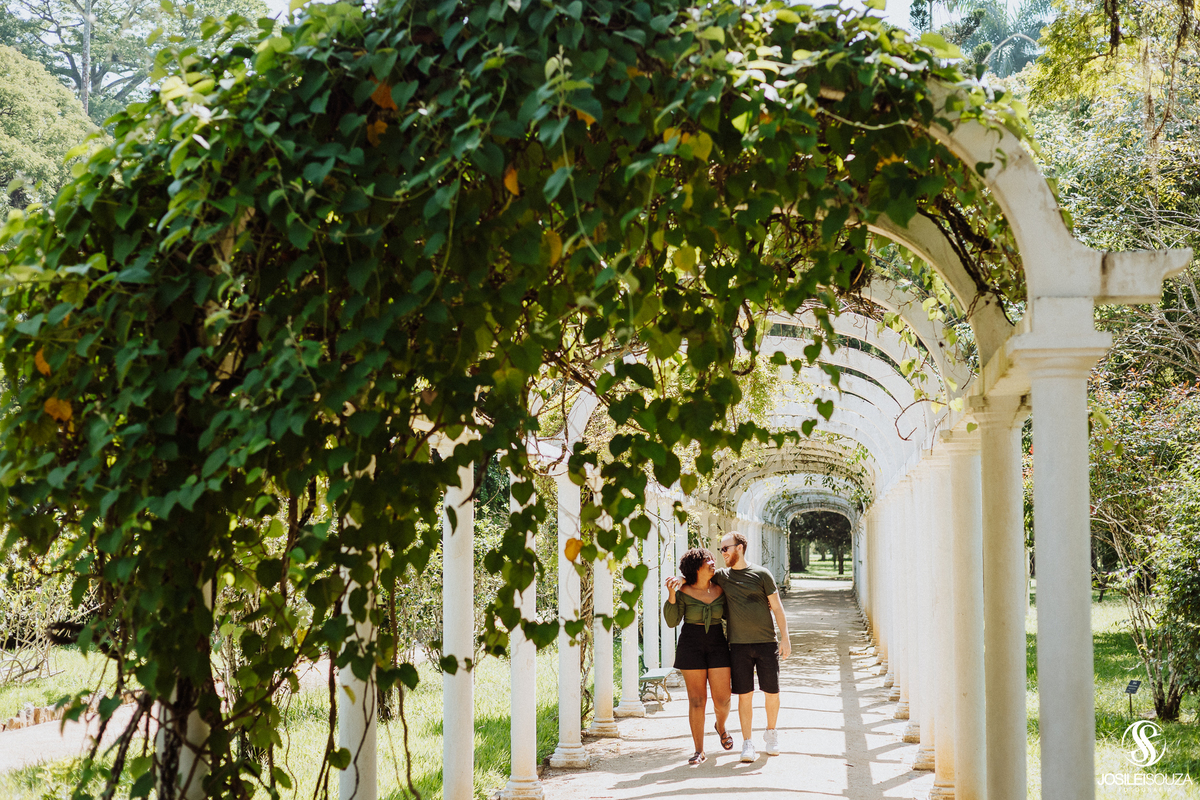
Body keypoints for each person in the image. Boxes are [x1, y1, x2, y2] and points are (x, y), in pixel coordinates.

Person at [715, 531, 790, 762]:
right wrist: (680, 580)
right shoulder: (722, 576)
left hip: (767, 642)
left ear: (739, 548)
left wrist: (785, 638)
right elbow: (698, 575)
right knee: (744, 695)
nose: (722, 553)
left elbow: (777, 607)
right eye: (721, 549)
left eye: (725, 548)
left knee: (772, 692)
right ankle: (747, 742)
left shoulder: (761, 574)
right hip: (738, 645)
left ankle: (771, 733)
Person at [663, 547, 734, 765]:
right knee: (697, 701)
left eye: (712, 559)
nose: (713, 562)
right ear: (696, 567)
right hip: (691, 645)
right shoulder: (682, 590)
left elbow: (734, 613)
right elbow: (672, 621)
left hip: (717, 644)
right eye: (707, 560)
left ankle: (720, 726)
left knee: (723, 700)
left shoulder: (721, 588)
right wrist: (672, 594)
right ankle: (699, 750)